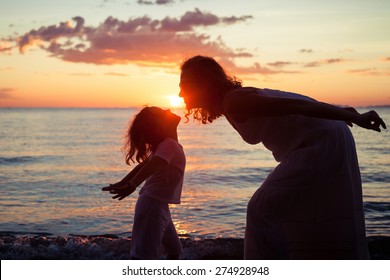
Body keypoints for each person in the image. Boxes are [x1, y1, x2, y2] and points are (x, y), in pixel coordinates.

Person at [178, 55, 386, 259]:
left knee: (260, 209)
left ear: (203, 84)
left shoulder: (235, 101)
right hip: (326, 135)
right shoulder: (232, 100)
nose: (180, 93)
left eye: (184, 85)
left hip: (320, 142)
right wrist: (338, 113)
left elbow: (297, 106)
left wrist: (352, 116)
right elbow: (295, 102)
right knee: (305, 211)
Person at [102, 106, 186, 260]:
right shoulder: (168, 145)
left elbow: (144, 165)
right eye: (163, 113)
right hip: (152, 205)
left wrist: (124, 181)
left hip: (160, 205)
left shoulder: (167, 144)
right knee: (143, 258)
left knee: (174, 251)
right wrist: (131, 185)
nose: (167, 110)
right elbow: (152, 165)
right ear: (158, 125)